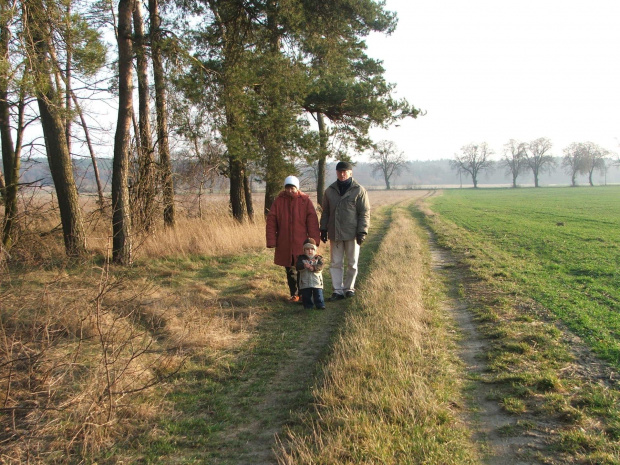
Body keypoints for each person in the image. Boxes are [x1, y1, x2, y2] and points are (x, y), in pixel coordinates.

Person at [319, 161, 370, 301]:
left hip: (352, 233)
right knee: (335, 262)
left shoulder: (359, 190)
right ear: (336, 172)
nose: (342, 174)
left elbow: (364, 213)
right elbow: (326, 212)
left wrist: (362, 231)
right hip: (335, 233)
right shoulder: (329, 191)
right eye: (339, 171)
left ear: (350, 173)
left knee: (352, 262)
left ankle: (349, 288)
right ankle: (337, 290)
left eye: (345, 171)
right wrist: (323, 229)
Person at [266, 175, 321, 302]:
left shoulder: (305, 201)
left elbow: (312, 221)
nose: (290, 191)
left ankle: (304, 294)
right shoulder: (279, 201)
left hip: (301, 242)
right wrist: (271, 240)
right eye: (287, 188)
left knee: (302, 267)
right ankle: (294, 294)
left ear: (297, 188)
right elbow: (271, 221)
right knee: (289, 269)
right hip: (284, 242)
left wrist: (314, 241)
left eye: (292, 188)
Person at [295, 238, 326, 310]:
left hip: (316, 281)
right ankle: (308, 306)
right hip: (305, 281)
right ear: (304, 250)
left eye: (312, 249)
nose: (310, 251)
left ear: (315, 249)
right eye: (307, 249)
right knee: (306, 295)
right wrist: (304, 266)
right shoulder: (301, 258)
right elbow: (297, 267)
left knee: (318, 294)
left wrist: (314, 268)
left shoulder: (319, 258)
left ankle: (320, 305)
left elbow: (321, 266)